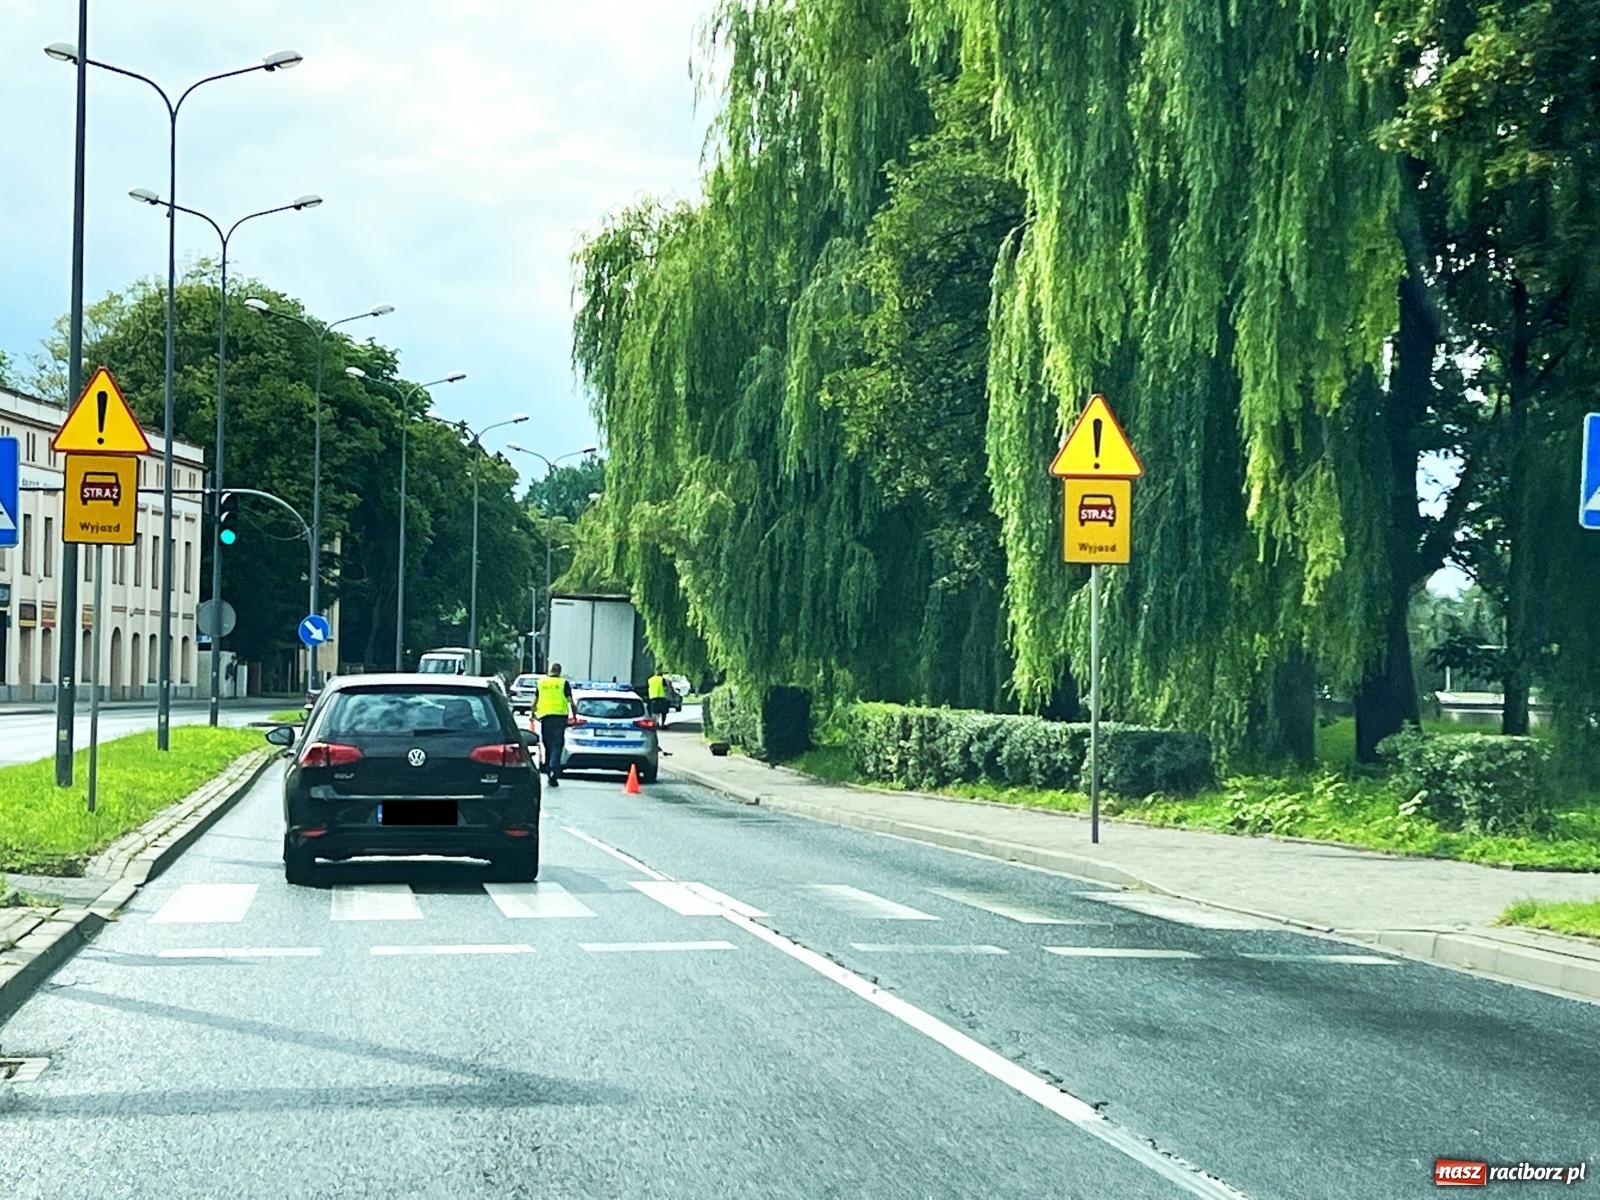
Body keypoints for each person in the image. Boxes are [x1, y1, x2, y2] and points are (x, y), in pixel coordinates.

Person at [534, 662, 576, 788]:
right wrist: (574, 715)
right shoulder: (563, 683)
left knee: (547, 744)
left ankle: (548, 769)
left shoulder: (541, 683)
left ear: (550, 670)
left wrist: (533, 714)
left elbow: (534, 702)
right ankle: (553, 769)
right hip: (559, 719)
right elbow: (571, 702)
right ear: (559, 671)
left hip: (545, 718)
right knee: (557, 745)